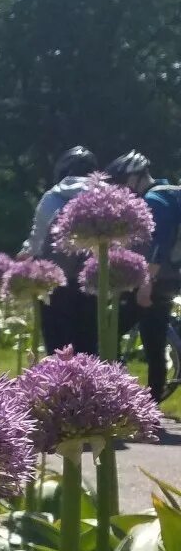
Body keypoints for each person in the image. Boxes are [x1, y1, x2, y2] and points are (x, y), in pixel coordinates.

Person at [107, 151, 180, 402]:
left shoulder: (154, 200)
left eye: (122, 182)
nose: (121, 189)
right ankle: (151, 403)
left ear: (135, 177)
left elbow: (159, 244)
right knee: (154, 341)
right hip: (167, 280)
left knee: (110, 329)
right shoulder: (166, 194)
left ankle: (120, 395)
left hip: (154, 281)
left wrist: (146, 284)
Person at [29, 146, 101, 354]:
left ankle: (60, 385)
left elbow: (37, 239)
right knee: (88, 344)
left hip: (55, 283)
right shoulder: (102, 195)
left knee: (58, 345)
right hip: (92, 281)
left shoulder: (51, 197)